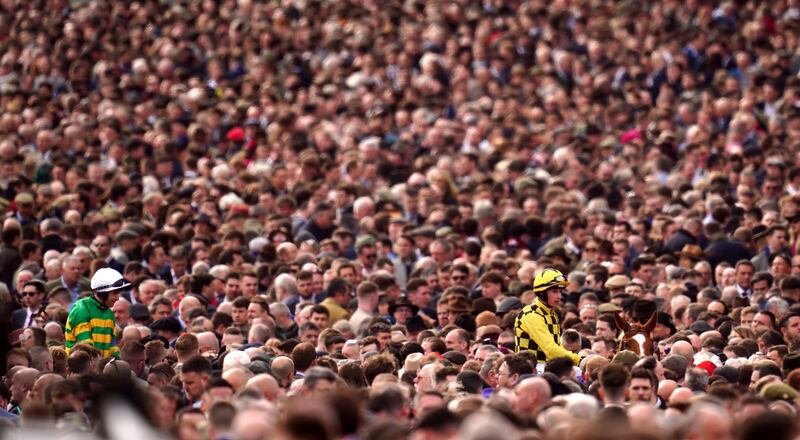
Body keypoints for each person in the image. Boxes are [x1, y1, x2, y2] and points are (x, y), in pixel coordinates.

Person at [515, 268, 581, 370]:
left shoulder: (552, 314)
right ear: (542, 292)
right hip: (527, 369)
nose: (559, 296)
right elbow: (550, 350)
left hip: (545, 367)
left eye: (560, 291)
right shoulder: (531, 314)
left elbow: (557, 348)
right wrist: (579, 360)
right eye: (554, 291)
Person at [65, 268, 130, 359]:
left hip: (100, 366)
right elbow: (85, 348)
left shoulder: (109, 313)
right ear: (103, 293)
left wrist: (116, 360)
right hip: (81, 367)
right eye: (115, 293)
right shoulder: (81, 309)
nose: (118, 298)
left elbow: (112, 346)